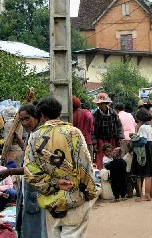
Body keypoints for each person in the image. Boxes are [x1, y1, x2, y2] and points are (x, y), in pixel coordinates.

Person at [24, 98, 97, 237]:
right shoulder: (73, 132)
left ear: (42, 116)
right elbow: (85, 164)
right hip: (75, 198)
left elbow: (30, 172)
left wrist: (54, 184)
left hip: (51, 202)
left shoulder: (34, 137)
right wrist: (90, 192)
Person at [1, 104, 49, 238]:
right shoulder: (31, 135)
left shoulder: (41, 137)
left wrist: (9, 172)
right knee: (25, 224)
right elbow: (29, 153)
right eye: (22, 120)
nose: (24, 123)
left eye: (27, 119)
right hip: (27, 188)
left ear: (37, 117)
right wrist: (21, 142)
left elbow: (35, 166)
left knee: (36, 228)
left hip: (36, 189)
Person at [131, 108, 152, 202]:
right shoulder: (150, 126)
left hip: (145, 149)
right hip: (150, 147)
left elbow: (142, 140)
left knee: (146, 173)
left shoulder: (142, 127)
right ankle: (149, 193)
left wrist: (133, 137)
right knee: (150, 173)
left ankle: (146, 195)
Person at [92, 93, 124, 169]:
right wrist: (94, 143)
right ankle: (101, 175)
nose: (101, 105)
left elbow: (119, 126)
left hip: (112, 140)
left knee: (113, 157)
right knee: (100, 159)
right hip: (100, 140)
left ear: (106, 103)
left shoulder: (113, 113)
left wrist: (120, 137)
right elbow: (92, 130)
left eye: (103, 103)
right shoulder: (95, 115)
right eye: (99, 104)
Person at [72, 96, 95, 161]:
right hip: (86, 141)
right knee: (88, 163)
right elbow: (90, 119)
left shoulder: (70, 115)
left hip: (74, 143)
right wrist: (89, 129)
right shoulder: (85, 112)